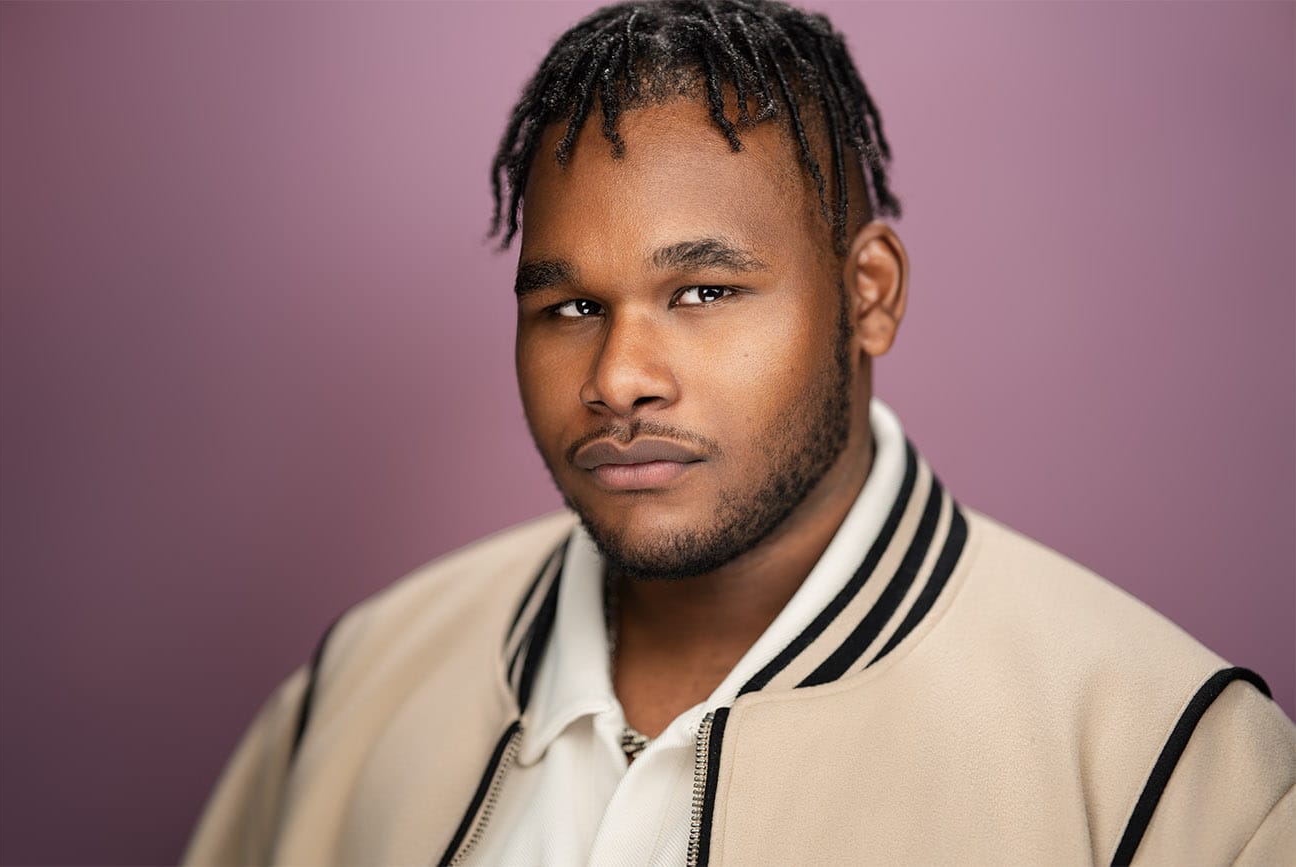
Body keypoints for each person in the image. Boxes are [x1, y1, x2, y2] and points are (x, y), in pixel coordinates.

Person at [183, 1, 1294, 864]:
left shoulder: (1171, 766)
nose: (618, 379)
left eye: (705, 291)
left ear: (869, 294)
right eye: (568, 308)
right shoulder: (357, 691)